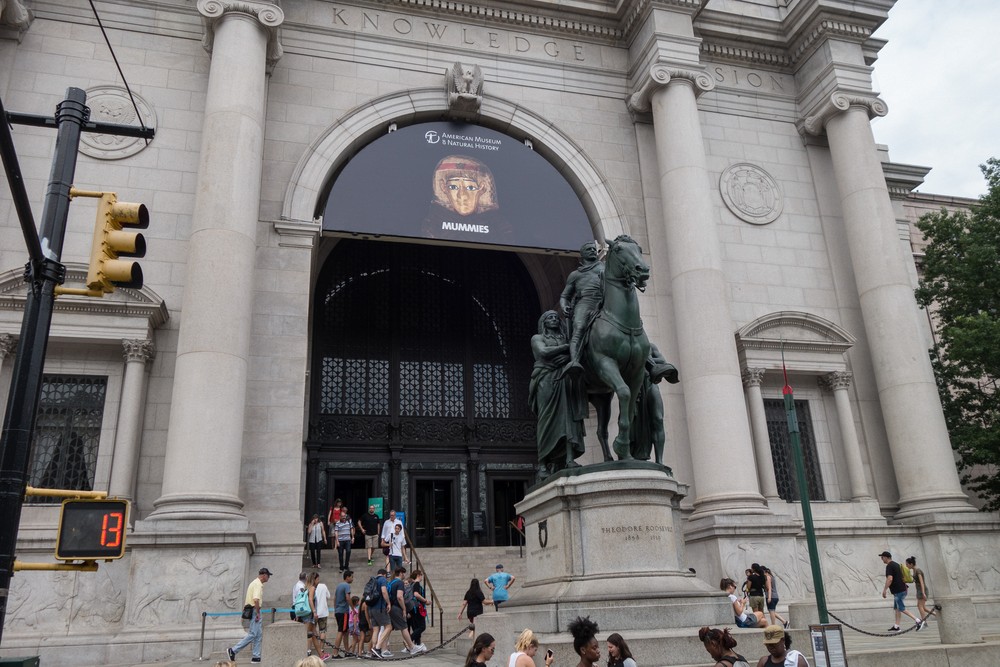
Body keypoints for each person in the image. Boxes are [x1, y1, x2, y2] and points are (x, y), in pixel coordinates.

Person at [529, 310, 586, 480]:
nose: (553, 319)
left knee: (568, 418)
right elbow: (543, 353)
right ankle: (542, 463)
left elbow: (579, 352)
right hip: (545, 379)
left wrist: (569, 355)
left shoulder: (565, 338)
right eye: (549, 318)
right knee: (546, 419)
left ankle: (569, 459)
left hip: (564, 378)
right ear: (544, 322)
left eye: (556, 317)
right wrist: (569, 348)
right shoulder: (537, 338)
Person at [422, 155, 511, 241]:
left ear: (482, 189)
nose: (462, 195)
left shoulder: (498, 227)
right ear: (443, 188)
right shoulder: (434, 223)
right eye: (453, 187)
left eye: (470, 188)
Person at [559, 241, 604, 377]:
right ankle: (574, 361)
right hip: (585, 302)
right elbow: (564, 296)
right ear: (582, 254)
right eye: (588, 249)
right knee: (579, 327)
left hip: (604, 300)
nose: (592, 251)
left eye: (593, 249)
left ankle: (650, 361)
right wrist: (564, 306)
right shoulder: (575, 275)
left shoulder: (605, 267)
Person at [228, 567, 272, 664]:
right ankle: (233, 650)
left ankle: (256, 656)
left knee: (258, 635)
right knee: (253, 634)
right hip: (255, 610)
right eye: (268, 576)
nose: (268, 578)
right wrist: (257, 612)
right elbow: (256, 599)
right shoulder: (258, 584)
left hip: (251, 609)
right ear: (264, 575)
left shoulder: (253, 583)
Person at [378, 566, 417, 657]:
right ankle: (412, 647)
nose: (404, 575)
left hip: (389, 607)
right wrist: (404, 609)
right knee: (404, 627)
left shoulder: (391, 582)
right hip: (396, 608)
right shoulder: (399, 583)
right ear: (401, 573)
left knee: (389, 628)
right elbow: (400, 597)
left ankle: (383, 649)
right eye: (404, 573)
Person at [879, 551, 921, 632]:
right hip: (901, 589)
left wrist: (884, 590)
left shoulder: (889, 566)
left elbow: (890, 579)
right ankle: (896, 626)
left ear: (887, 557)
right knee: (897, 608)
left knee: (901, 608)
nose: (881, 559)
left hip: (899, 591)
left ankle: (918, 620)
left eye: (882, 557)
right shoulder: (896, 564)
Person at [304, 570, 330, 660]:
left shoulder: (306, 587)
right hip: (310, 615)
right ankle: (305, 653)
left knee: (314, 635)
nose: (319, 580)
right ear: (314, 579)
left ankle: (321, 655)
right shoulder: (312, 588)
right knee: (308, 634)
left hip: (308, 614)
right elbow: (311, 600)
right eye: (318, 579)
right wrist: (314, 611)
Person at [369, 568, 392, 658]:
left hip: (371, 608)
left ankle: (373, 649)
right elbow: (384, 591)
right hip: (380, 608)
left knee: (376, 629)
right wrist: (389, 603)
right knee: (388, 627)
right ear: (384, 574)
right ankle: (377, 648)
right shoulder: (382, 579)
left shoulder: (372, 580)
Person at [905, 556, 935, 624]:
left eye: (907, 564)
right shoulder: (914, 571)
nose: (906, 566)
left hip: (922, 590)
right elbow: (914, 580)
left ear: (911, 564)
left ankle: (924, 622)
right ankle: (937, 615)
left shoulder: (918, 571)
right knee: (923, 607)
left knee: (920, 606)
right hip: (919, 590)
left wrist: (923, 593)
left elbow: (921, 582)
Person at [313, 571, 335, 659]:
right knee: (322, 631)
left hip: (314, 612)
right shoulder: (323, 586)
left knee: (312, 632)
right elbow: (328, 596)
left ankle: (308, 650)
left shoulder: (311, 587)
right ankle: (321, 649)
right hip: (323, 612)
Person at [332, 569, 353, 658]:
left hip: (338, 611)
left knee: (345, 631)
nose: (352, 579)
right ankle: (335, 653)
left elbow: (335, 598)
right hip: (343, 611)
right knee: (341, 631)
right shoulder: (346, 586)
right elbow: (348, 598)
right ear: (347, 577)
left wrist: (335, 609)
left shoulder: (339, 586)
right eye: (352, 577)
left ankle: (347, 651)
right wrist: (353, 608)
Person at [408, 570, 429, 653]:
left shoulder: (411, 584)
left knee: (416, 628)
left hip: (413, 608)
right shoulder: (416, 583)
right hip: (417, 608)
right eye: (421, 575)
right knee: (422, 627)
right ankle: (409, 640)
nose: (421, 577)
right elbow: (416, 594)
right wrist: (425, 601)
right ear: (418, 575)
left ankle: (417, 645)